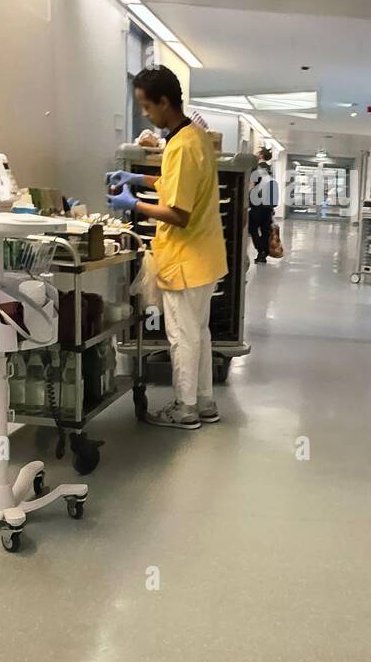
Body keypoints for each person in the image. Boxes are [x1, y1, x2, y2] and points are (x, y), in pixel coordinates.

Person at [106, 66, 227, 429]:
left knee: (181, 337)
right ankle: (204, 402)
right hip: (205, 258)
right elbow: (179, 184)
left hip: (186, 261)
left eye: (146, 105)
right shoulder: (195, 137)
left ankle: (184, 408)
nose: (145, 113)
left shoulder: (181, 145)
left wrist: (133, 205)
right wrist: (138, 179)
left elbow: (178, 213)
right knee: (199, 333)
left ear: (164, 101)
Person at [248, 147, 276, 264]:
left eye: (257, 153)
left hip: (257, 204)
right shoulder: (270, 169)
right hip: (268, 205)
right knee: (265, 230)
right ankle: (263, 254)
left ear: (260, 155)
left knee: (252, 228)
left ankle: (261, 250)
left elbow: (251, 185)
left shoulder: (256, 168)